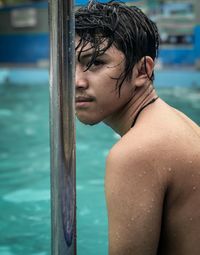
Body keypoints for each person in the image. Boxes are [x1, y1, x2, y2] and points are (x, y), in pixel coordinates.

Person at [75, 1, 200, 254]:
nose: (77, 81)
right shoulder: (180, 124)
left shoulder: (136, 152)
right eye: (70, 65)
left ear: (143, 70)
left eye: (96, 62)